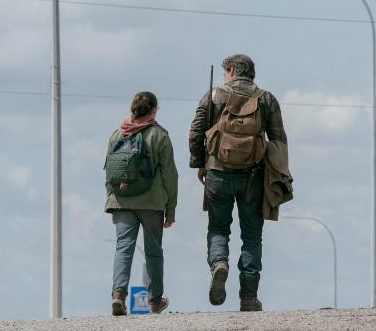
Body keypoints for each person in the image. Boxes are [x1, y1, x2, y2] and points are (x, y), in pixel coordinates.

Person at [188, 54, 291, 312]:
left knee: (219, 229)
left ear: (232, 71)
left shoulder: (213, 95)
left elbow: (195, 131)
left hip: (217, 173)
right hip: (253, 177)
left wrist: (200, 162)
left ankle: (219, 263)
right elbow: (279, 140)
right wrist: (277, 176)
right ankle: (248, 297)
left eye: (226, 72)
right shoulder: (266, 99)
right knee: (252, 237)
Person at [104, 91, 178, 316]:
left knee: (123, 248)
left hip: (122, 200)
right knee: (153, 251)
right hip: (151, 201)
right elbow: (170, 175)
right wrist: (171, 209)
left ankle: (118, 294)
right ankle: (155, 300)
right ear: (153, 110)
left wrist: (112, 198)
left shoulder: (117, 134)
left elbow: (109, 171)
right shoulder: (159, 135)